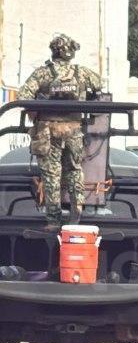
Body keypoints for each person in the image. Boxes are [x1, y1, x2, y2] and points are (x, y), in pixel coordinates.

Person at [18, 34, 102, 231]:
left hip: (47, 131)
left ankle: (53, 220)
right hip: (74, 130)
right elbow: (98, 84)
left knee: (52, 175)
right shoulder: (81, 73)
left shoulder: (43, 74)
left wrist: (38, 108)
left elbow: (24, 96)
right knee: (74, 170)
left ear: (53, 51)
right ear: (71, 53)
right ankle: (77, 208)